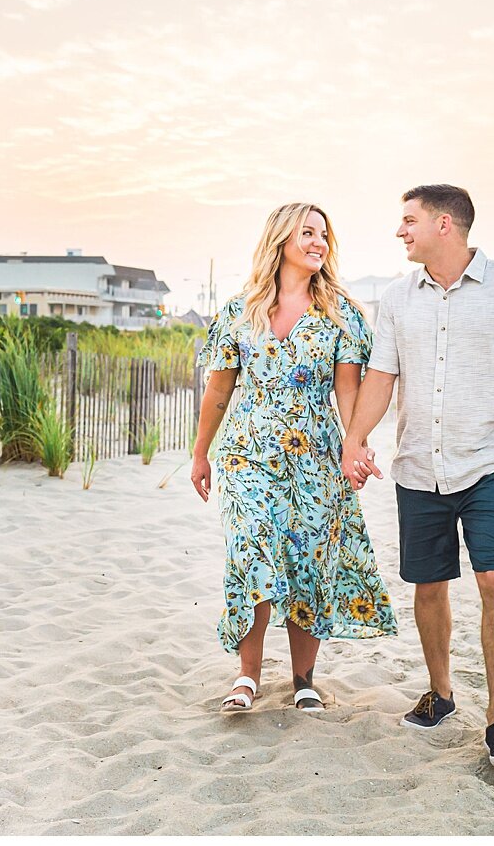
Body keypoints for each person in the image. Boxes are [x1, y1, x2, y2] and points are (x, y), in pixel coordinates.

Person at [343, 185, 494, 768]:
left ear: (445, 224)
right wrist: (355, 438)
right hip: (418, 467)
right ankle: (441, 693)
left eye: (408, 221)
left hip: (490, 464)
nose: (400, 231)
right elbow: (382, 378)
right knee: (429, 584)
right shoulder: (395, 298)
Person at [192, 202, 398, 714]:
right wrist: (201, 454)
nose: (317, 243)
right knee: (252, 554)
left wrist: (356, 445)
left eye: (323, 235)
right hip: (247, 455)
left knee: (307, 559)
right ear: (281, 239)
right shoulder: (240, 312)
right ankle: (247, 677)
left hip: (315, 453)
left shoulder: (341, 314)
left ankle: (304, 679)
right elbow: (218, 391)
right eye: (307, 233)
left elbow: (348, 393)